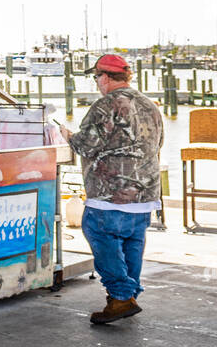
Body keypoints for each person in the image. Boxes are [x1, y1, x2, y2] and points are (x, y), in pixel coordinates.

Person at [57, 53, 164, 325]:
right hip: (146, 192)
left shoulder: (107, 104)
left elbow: (86, 145)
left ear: (105, 77)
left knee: (99, 233)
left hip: (112, 193)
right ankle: (129, 296)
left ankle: (119, 295)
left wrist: (66, 135)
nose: (96, 83)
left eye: (96, 77)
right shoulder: (150, 105)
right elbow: (158, 143)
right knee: (132, 242)